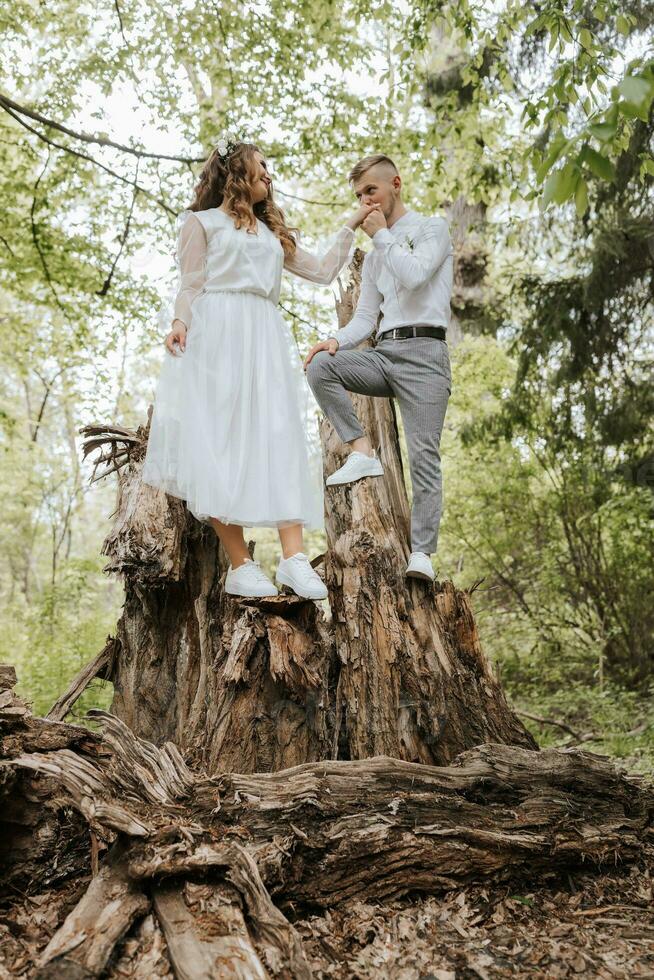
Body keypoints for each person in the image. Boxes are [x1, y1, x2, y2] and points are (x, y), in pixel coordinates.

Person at [142, 136, 375, 599]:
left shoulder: (272, 236)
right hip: (216, 335)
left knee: (277, 434)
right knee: (219, 441)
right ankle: (240, 564)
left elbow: (326, 270)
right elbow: (190, 285)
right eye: (260, 165)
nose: (269, 173)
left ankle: (294, 559)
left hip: (264, 337)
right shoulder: (200, 223)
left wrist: (353, 221)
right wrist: (178, 323)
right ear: (236, 173)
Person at [303, 153, 453, 583]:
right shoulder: (372, 258)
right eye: (358, 195)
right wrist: (335, 341)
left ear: (395, 185)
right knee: (321, 368)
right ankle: (362, 452)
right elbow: (366, 319)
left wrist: (383, 237)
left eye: (371, 190)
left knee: (424, 454)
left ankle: (422, 552)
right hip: (384, 355)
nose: (365, 201)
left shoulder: (432, 228)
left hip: (426, 355)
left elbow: (416, 276)